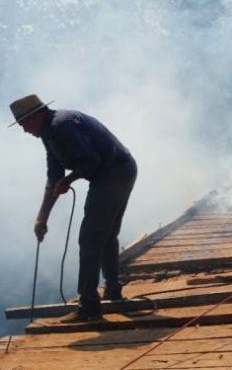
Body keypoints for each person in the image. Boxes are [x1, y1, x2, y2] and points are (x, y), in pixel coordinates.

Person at [9, 94, 137, 322]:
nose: (24, 130)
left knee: (90, 239)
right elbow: (54, 176)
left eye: (24, 124)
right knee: (105, 235)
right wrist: (42, 218)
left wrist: (68, 181)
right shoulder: (49, 132)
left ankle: (88, 306)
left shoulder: (61, 126)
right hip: (115, 172)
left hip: (114, 173)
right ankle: (113, 291)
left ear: (35, 116)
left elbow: (91, 162)